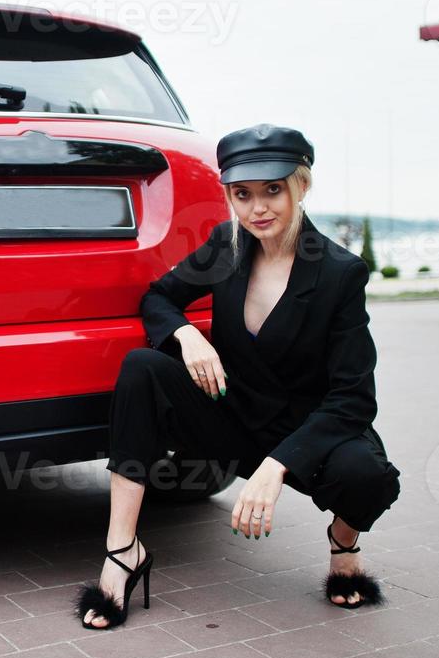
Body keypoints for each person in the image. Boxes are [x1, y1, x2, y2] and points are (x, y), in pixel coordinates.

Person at [75, 124, 402, 630]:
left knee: (368, 477)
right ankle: (122, 550)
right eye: (242, 194)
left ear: (302, 186)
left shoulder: (340, 272)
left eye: (273, 190)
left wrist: (277, 466)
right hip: (230, 415)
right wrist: (187, 335)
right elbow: (158, 297)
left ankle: (344, 545)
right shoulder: (225, 247)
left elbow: (354, 399)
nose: (258, 208)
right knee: (143, 368)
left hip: (305, 432)